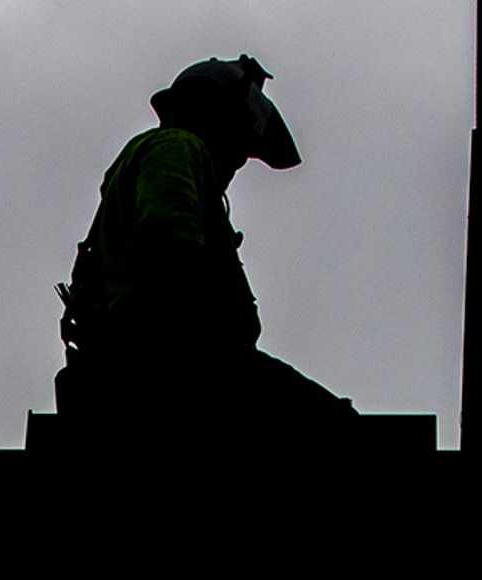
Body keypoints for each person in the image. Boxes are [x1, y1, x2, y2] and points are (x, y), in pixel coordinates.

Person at [55, 54, 358, 443]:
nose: (237, 164)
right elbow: (169, 241)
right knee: (342, 432)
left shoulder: (151, 155)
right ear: (219, 122)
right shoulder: (177, 148)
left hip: (158, 363)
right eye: (240, 148)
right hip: (177, 362)